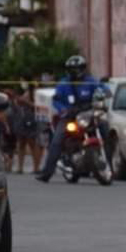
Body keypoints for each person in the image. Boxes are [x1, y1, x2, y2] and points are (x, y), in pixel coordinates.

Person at [36, 55, 110, 183]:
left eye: (78, 68)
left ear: (83, 68)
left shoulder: (91, 81)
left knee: (105, 129)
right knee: (57, 141)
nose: (76, 71)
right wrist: (63, 110)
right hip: (69, 117)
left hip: (87, 115)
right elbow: (56, 100)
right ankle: (47, 172)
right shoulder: (64, 84)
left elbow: (104, 89)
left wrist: (103, 94)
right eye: (73, 69)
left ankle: (110, 162)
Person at [8, 82, 42, 173]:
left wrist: (25, 102)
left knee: (32, 144)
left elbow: (37, 106)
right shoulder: (23, 93)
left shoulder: (35, 93)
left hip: (31, 119)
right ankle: (20, 167)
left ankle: (36, 167)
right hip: (21, 119)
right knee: (21, 144)